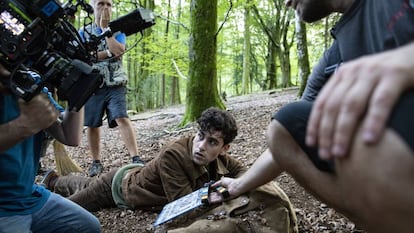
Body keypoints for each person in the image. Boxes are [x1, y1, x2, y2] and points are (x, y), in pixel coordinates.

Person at [213, 1, 414, 233]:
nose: (286, 2)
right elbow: (292, 138)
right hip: (384, 165)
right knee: (283, 128)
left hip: (398, 148)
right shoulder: (336, 54)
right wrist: (238, 185)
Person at [41, 107, 298, 233]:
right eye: (200, 136)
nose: (201, 146)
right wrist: (225, 194)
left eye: (212, 142)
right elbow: (184, 207)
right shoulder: (175, 155)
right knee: (67, 207)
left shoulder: (220, 160)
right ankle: (50, 186)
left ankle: (53, 179)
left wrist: (241, 186)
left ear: (224, 148)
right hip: (118, 186)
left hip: (136, 175)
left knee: (83, 183)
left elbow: (244, 173)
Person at [0, 64, 101, 232]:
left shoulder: (28, 81)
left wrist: (79, 94)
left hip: (29, 196)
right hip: (4, 208)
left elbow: (69, 135)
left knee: (88, 226)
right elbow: (31, 122)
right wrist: (25, 124)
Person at [80, 0, 144, 177]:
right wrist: (106, 53)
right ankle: (96, 162)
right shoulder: (83, 31)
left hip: (116, 83)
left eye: (108, 4)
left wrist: (106, 31)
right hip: (92, 84)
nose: (105, 8)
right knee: (93, 124)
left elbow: (119, 51)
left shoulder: (118, 30)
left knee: (122, 117)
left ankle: (135, 157)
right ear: (93, 6)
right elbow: (84, 57)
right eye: (101, 4)